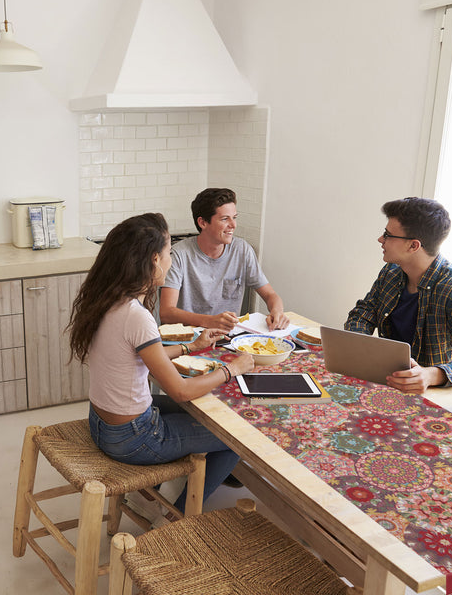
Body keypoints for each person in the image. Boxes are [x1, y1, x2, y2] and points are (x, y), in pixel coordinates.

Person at [68, 213, 254, 516]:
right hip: (133, 439)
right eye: (169, 253)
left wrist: (191, 347)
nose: (170, 259)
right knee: (238, 436)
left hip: (101, 424)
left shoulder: (106, 300)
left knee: (205, 410)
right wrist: (233, 369)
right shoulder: (136, 315)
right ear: (154, 260)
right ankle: (174, 518)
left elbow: (140, 355)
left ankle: (152, 495)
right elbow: (180, 390)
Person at [345, 197, 452, 394]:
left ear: (413, 246)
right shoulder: (391, 271)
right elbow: (364, 312)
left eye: (388, 235)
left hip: (431, 395)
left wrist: (430, 375)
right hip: (389, 383)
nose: (380, 239)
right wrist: (358, 344)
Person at [160, 188, 288, 332]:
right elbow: (166, 313)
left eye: (234, 217)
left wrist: (277, 311)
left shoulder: (242, 250)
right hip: (190, 339)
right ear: (202, 223)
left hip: (228, 338)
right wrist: (210, 321)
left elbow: (270, 295)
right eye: (225, 219)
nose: (233, 225)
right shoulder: (179, 255)